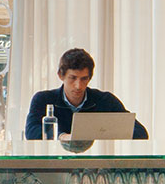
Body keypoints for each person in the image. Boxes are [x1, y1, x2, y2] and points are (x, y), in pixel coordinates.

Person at [21, 47, 149, 140]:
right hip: (54, 167)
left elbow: (140, 133)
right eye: (73, 78)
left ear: (90, 78)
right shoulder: (43, 99)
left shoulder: (105, 100)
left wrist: (102, 133)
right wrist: (62, 137)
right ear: (61, 75)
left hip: (97, 167)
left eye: (84, 79)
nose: (78, 86)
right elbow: (31, 132)